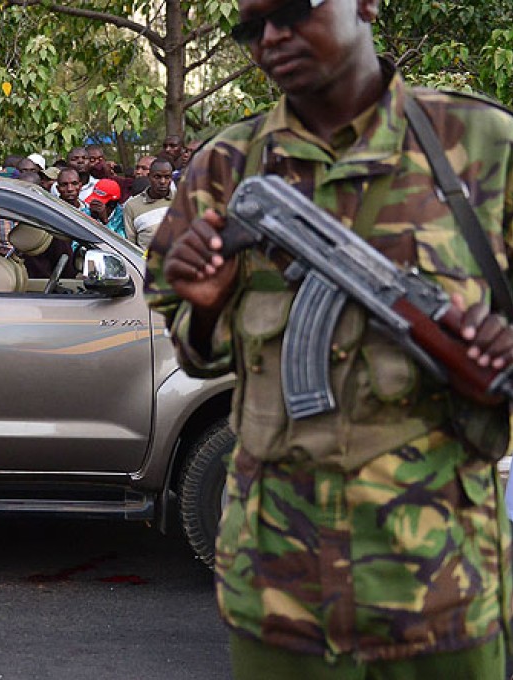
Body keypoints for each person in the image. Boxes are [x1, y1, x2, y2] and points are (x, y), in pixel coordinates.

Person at [146, 0, 513, 677]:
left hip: (439, 589)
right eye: (250, 28)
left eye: (290, 10)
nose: (273, 38)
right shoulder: (226, 165)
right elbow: (191, 345)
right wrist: (202, 309)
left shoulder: (483, 143)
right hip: (279, 595)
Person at [122, 158, 174, 249]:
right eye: (157, 177)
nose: (162, 182)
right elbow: (131, 246)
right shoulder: (132, 206)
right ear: (149, 177)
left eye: (167, 177)